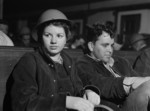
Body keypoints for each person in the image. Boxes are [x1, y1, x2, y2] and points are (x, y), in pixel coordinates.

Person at [9, 9, 101, 111]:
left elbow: (77, 90)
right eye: (47, 35)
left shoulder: (68, 61)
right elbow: (22, 104)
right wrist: (64, 102)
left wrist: (87, 92)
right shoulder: (29, 61)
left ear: (66, 38)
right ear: (40, 37)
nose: (53, 41)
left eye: (59, 36)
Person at [75, 23, 150, 111]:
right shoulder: (83, 63)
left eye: (111, 45)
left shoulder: (122, 62)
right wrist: (131, 82)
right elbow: (102, 84)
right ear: (91, 46)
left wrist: (141, 81)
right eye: (105, 45)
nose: (110, 50)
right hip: (114, 107)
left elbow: (140, 80)